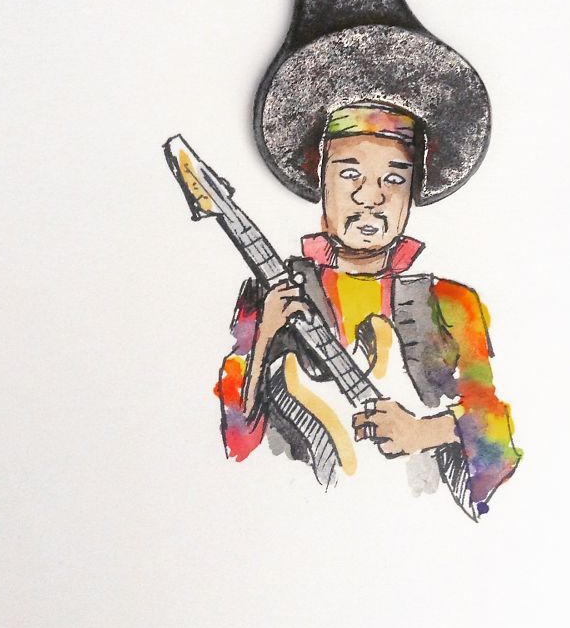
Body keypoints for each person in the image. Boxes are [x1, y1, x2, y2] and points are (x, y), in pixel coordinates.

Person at [215, 102, 521, 519]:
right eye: (349, 174)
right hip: (294, 516)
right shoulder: (271, 294)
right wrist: (264, 336)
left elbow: (498, 442)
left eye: (394, 178)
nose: (370, 197)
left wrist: (424, 431)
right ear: (321, 180)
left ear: (413, 190)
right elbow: (236, 444)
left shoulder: (452, 302)